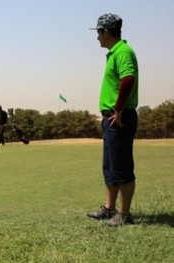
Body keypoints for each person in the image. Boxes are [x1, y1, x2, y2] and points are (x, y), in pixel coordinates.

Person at [87, 13, 139, 226]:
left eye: (99, 33)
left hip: (119, 117)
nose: (97, 37)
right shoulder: (113, 53)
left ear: (106, 32)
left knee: (122, 166)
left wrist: (118, 110)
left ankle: (124, 215)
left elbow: (128, 79)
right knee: (110, 166)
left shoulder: (123, 52)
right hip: (111, 117)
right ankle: (109, 209)